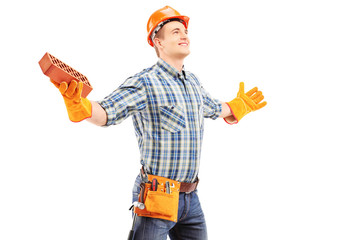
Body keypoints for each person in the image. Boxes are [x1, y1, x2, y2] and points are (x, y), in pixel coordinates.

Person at [50, 5, 266, 240]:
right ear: (158, 42)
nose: (184, 35)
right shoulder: (145, 82)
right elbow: (106, 111)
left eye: (185, 31)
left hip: (191, 198)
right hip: (157, 196)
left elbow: (215, 108)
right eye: (175, 32)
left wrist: (238, 105)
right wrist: (81, 106)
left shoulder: (192, 82)